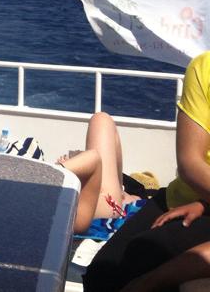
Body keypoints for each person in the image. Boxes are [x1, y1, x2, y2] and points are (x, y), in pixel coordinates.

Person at [84, 50, 210, 292]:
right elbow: (190, 163)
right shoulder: (204, 68)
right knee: (102, 272)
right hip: (185, 196)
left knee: (147, 253)